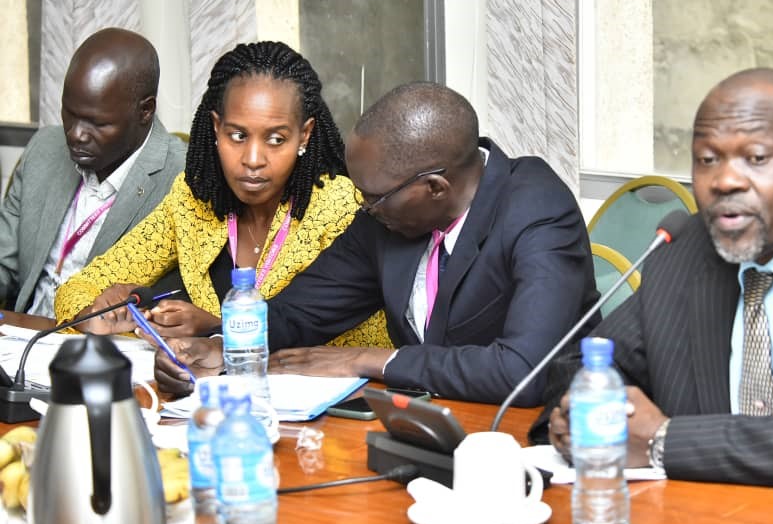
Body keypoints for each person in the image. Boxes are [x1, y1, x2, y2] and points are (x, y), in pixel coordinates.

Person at [536, 68, 773, 490]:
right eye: (707, 159)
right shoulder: (684, 249)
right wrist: (588, 414)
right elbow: (583, 367)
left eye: (755, 158)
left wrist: (663, 441)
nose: (724, 181)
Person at [153, 82, 598, 405]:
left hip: (534, 437)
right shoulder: (389, 216)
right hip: (428, 425)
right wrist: (224, 349)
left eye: (373, 197)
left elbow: (524, 370)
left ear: (435, 187)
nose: (362, 206)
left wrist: (369, 359)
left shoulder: (538, 210)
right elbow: (303, 310)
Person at [55, 41, 388, 349]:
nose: (253, 160)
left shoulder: (338, 206)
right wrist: (107, 319)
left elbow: (360, 342)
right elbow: (76, 290)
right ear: (216, 129)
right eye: (238, 135)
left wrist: (215, 329)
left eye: (276, 139)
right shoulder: (193, 199)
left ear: (305, 135)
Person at [0, 27, 186, 321]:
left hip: (110, 351)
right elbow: (3, 260)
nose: (75, 135)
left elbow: (181, 300)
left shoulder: (184, 179)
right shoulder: (44, 148)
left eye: (97, 123)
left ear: (145, 110)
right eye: (69, 114)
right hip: (21, 336)